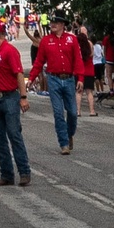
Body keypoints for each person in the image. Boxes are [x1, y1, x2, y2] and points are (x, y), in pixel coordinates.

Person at [0, 18, 31, 186]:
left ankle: (24, 171)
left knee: (13, 134)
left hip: (9, 97)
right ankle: (7, 174)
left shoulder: (9, 51)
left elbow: (19, 74)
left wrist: (23, 97)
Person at [29, 11, 84, 153]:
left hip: (69, 78)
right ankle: (63, 143)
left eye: (56, 22)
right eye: (52, 22)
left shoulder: (72, 39)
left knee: (72, 112)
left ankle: (69, 133)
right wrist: (31, 77)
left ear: (62, 25)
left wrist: (81, 79)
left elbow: (78, 59)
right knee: (58, 112)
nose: (52, 25)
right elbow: (39, 61)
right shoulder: (46, 41)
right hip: (53, 79)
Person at [77, 29, 97, 117]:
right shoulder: (90, 44)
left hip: (80, 71)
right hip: (89, 71)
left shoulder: (77, 46)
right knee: (89, 92)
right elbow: (92, 54)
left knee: (79, 92)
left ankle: (78, 111)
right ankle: (92, 111)